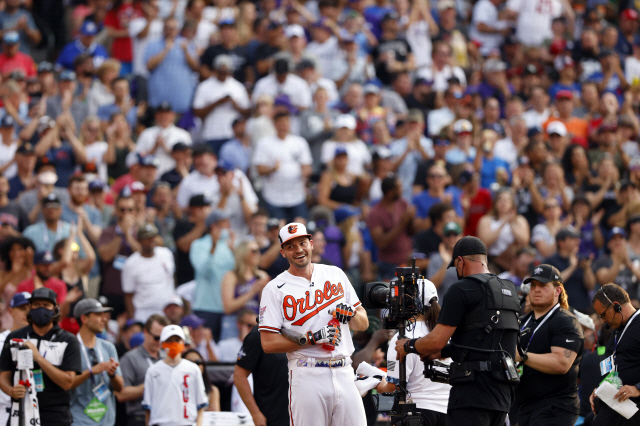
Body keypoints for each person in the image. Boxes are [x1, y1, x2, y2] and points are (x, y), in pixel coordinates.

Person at [395, 236, 521, 426]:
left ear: (460, 261)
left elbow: (436, 340)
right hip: (502, 397)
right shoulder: (509, 289)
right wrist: (445, 351)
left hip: (471, 396)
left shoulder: (461, 289)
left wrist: (409, 346)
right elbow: (487, 341)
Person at [259, 222, 369, 426]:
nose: (298, 250)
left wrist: (351, 313)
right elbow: (268, 343)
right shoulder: (274, 289)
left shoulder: (335, 274)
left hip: (344, 370)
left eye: (302, 243)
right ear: (283, 252)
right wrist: (312, 339)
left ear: (311, 244)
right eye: (291, 246)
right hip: (307, 373)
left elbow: (362, 323)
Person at [0, 288, 82, 426]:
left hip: (55, 416)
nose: (41, 309)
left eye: (46, 305)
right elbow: (3, 375)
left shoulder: (68, 340)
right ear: (30, 308)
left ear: (55, 309)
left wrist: (39, 358)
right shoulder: (15, 337)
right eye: (37, 305)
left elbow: (68, 382)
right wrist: (11, 390)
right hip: (20, 413)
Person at [515, 265, 585, 426]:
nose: (536, 290)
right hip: (523, 406)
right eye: (533, 286)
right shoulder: (522, 322)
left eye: (543, 285)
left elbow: (562, 363)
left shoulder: (566, 321)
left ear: (557, 291)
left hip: (555, 407)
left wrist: (522, 356)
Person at [377, 280, 451, 426]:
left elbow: (393, 387)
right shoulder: (448, 335)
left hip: (417, 414)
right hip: (451, 413)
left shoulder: (402, 338)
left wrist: (374, 382)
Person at [70, 298, 123, 426]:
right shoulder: (70, 347)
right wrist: (91, 371)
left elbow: (120, 387)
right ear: (84, 319)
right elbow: (67, 383)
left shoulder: (108, 347)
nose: (104, 319)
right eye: (98, 315)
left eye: (104, 315)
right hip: (78, 421)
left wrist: (112, 374)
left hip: (107, 422)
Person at [142, 325, 208, 426]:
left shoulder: (193, 369)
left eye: (177, 340)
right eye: (169, 340)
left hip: (187, 423)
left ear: (183, 343)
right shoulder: (153, 371)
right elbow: (148, 408)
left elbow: (200, 404)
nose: (173, 343)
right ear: (162, 344)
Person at [116, 314, 169, 426]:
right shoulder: (130, 358)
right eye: (156, 337)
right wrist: (151, 384)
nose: (159, 342)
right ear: (145, 332)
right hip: (140, 417)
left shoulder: (168, 358)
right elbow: (121, 394)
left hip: (167, 416)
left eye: (163, 339)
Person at [235, 322, 289, 426]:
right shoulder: (258, 334)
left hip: (302, 412)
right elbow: (239, 376)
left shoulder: (302, 329)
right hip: (272, 415)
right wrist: (255, 413)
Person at [122, 223, 175, 322]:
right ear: (140, 240)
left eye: (153, 236)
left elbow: (172, 278)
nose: (151, 240)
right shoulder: (131, 263)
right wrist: (133, 319)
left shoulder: (166, 254)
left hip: (166, 309)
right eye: (147, 238)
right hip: (144, 311)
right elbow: (128, 294)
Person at [0, 291, 31, 426]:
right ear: (11, 311)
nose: (27, 313)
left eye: (31, 309)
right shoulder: (1, 340)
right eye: (22, 308)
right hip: (3, 410)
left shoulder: (40, 342)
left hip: (32, 410)